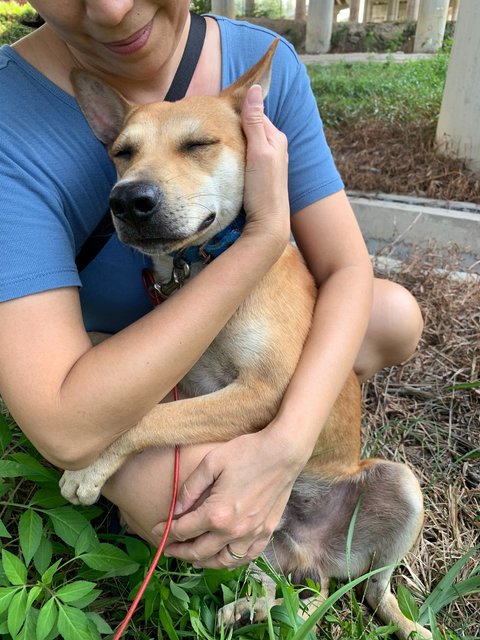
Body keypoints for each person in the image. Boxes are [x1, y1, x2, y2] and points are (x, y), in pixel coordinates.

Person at [0, 1, 423, 569]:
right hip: (103, 368)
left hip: (262, 397)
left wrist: (285, 444)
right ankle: (263, 566)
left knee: (392, 313)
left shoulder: (258, 76)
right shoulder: (14, 121)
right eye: (125, 153)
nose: (111, 8)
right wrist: (265, 234)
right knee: (181, 504)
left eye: (196, 147)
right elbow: (64, 425)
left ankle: (357, 581)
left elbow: (347, 270)